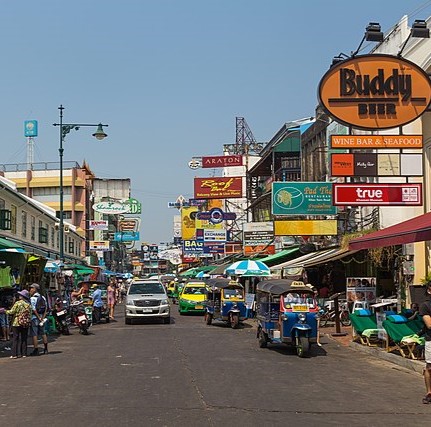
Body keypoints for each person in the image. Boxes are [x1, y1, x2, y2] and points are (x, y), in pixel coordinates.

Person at [6, 289, 32, 359]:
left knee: (15, 338)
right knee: (24, 338)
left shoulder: (18, 303)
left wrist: (5, 311)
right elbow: (30, 314)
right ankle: (24, 353)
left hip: (16, 322)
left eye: (21, 295)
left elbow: (11, 312)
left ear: (23, 296)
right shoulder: (28, 304)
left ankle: (15, 354)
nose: (19, 296)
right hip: (25, 322)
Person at [419, 282, 431, 404]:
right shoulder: (425, 306)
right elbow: (429, 324)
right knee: (429, 367)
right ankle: (429, 392)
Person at [29, 283, 49, 356]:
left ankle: (36, 350)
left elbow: (33, 310)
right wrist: (42, 318)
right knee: (43, 333)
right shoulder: (43, 297)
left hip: (34, 318)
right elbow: (46, 308)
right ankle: (46, 349)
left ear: (35, 289)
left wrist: (38, 318)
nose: (30, 290)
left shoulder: (32, 298)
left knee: (34, 334)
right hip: (42, 318)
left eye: (31, 288)